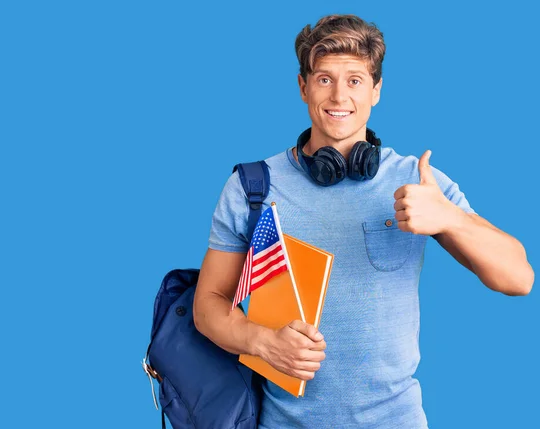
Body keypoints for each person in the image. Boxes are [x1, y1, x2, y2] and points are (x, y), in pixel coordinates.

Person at [193, 14, 534, 428]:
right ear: (302, 87)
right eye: (324, 79)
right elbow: (207, 306)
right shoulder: (252, 188)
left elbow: (519, 278)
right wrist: (261, 341)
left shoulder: (417, 181)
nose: (339, 96)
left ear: (376, 90)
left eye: (355, 80)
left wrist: (451, 218)